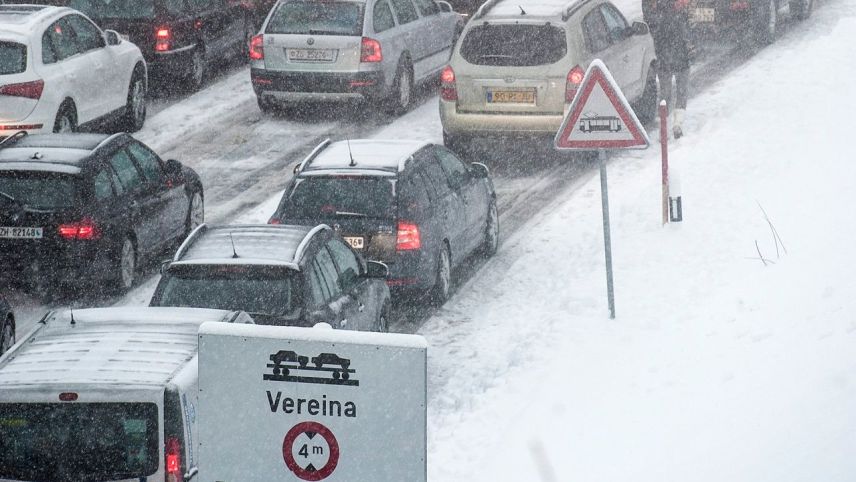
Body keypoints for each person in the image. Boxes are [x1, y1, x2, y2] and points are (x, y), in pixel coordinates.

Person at [642, 0, 692, 138]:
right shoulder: (674, 10)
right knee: (681, 89)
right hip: (678, 48)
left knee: (665, 92)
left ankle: (663, 129)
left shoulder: (652, 6)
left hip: (662, 50)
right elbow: (684, 19)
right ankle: (677, 124)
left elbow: (650, 20)